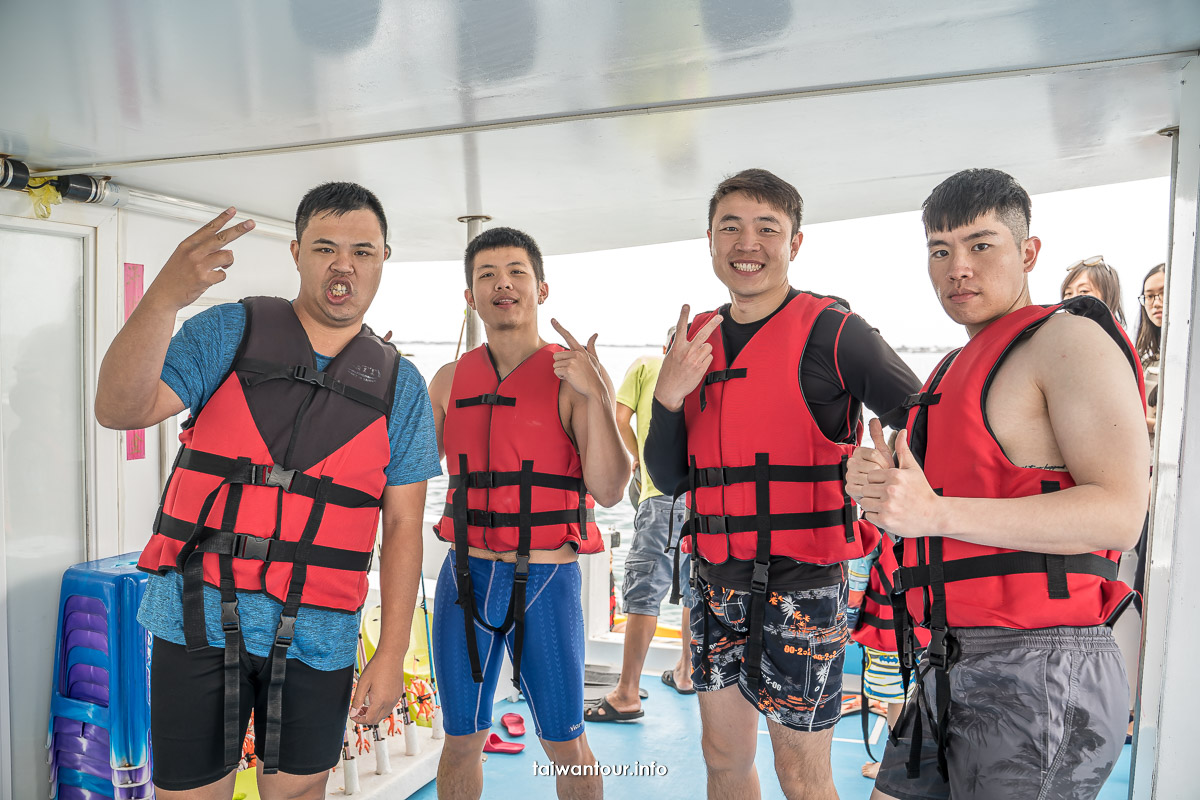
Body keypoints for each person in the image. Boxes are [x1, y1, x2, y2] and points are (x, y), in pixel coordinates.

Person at [95, 183, 441, 799]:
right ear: (296, 253)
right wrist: (165, 298)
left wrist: (391, 653)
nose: (344, 265)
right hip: (194, 618)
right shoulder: (230, 330)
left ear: (385, 257)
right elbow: (119, 408)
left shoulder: (402, 387)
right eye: (325, 247)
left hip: (320, 633)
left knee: (302, 793)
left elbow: (404, 528)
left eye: (363, 250)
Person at [848, 168, 1149, 800]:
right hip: (946, 658)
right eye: (940, 250)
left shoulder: (1068, 340)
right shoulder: (953, 365)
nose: (958, 268)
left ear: (1028, 252)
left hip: (1042, 662)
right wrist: (885, 492)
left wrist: (936, 513)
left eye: (980, 245)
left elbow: (1120, 513)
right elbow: (952, 502)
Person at [645, 168, 921, 799]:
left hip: (804, 582)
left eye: (768, 228)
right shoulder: (696, 343)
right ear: (710, 242)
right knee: (722, 759)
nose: (749, 244)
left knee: (800, 772)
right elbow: (668, 475)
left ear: (795, 243)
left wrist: (888, 469)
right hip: (714, 578)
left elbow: (923, 416)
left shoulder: (835, 332)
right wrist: (667, 395)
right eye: (731, 228)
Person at [427, 226, 629, 800]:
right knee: (461, 739)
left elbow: (611, 490)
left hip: (547, 579)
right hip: (465, 578)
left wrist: (600, 396)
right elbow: (404, 472)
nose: (502, 285)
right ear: (470, 296)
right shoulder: (447, 381)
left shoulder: (573, 379)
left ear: (541, 287)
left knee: (566, 744)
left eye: (516, 272)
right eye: (486, 276)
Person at [587, 327, 695, 724]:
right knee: (692, 590)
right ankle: (686, 672)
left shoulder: (648, 365)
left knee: (645, 591)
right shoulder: (708, 378)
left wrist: (637, 457)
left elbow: (618, 419)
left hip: (661, 498)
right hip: (705, 503)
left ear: (667, 348)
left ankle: (627, 693)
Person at [1136, 263, 1165, 440]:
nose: (1156, 303)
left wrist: (1149, 425)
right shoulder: (1145, 360)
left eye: (1163, 293)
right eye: (1150, 296)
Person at [1061, 255, 1126, 327]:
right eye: (1068, 293)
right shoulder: (1054, 333)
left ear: (1109, 295)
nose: (1073, 298)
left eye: (1084, 291)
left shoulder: (1113, 337)